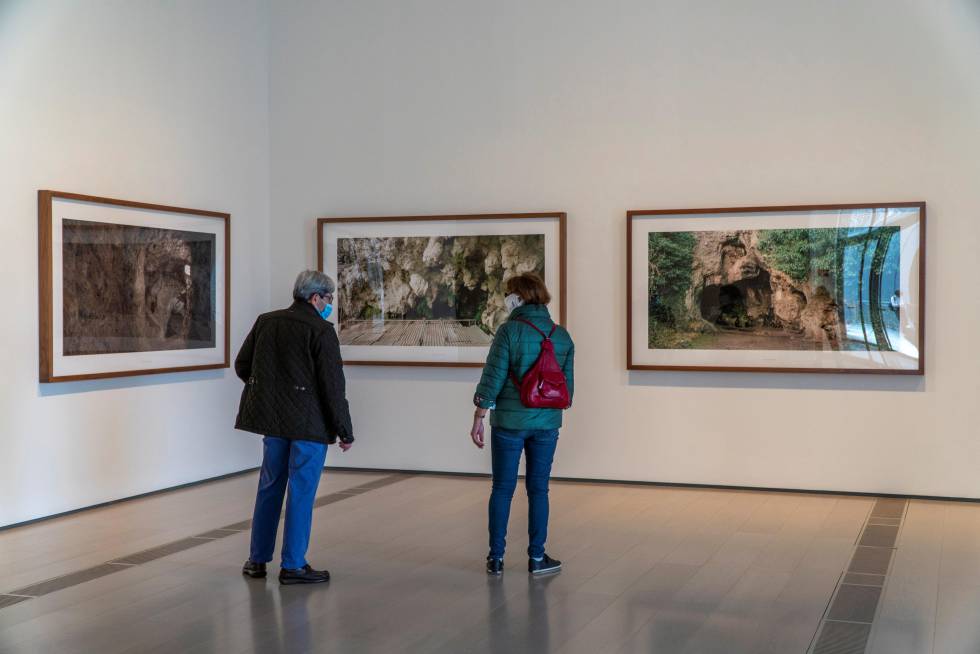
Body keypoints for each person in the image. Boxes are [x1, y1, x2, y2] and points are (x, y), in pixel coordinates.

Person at [235, 270, 354, 585]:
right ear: (316, 297)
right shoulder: (320, 330)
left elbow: (242, 365)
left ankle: (256, 560)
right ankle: (293, 565)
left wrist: (270, 391)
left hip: (273, 422)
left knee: (269, 488)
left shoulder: (267, 322)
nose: (329, 305)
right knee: (301, 492)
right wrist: (345, 430)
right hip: (308, 425)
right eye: (328, 299)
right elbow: (332, 386)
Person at [471, 273, 574, 576]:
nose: (506, 298)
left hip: (508, 423)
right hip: (546, 424)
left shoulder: (509, 332)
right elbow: (567, 391)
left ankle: (496, 558)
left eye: (508, 293)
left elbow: (493, 379)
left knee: (502, 489)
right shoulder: (561, 335)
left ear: (518, 297)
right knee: (539, 490)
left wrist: (479, 416)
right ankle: (538, 558)